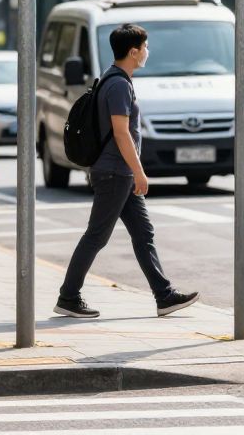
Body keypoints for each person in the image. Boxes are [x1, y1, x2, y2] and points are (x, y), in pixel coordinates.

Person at [55, 23, 199, 319]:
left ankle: (164, 296)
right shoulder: (119, 84)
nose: (148, 52)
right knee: (97, 236)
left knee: (143, 233)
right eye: (145, 47)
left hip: (118, 172)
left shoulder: (114, 79)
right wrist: (140, 171)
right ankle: (68, 296)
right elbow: (121, 133)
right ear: (133, 52)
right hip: (114, 172)